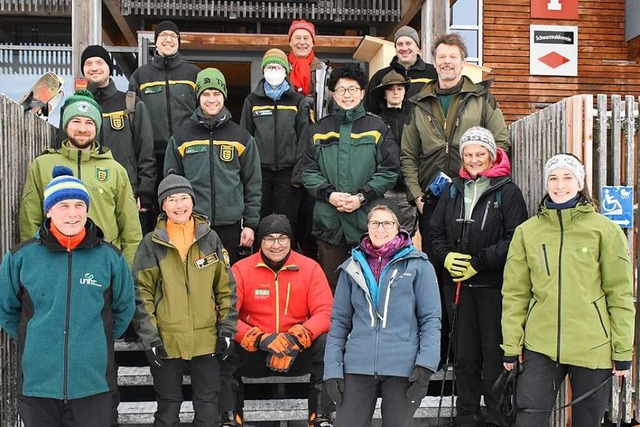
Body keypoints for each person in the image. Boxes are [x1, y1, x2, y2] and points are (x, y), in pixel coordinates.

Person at [502, 153, 635, 427]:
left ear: (579, 183)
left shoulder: (605, 230)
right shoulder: (527, 232)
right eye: (553, 178)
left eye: (567, 177)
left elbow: (619, 293)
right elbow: (515, 293)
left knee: (588, 420)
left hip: (593, 345)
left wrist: (622, 350)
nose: (559, 185)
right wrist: (511, 345)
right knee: (527, 418)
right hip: (540, 345)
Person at [0, 166, 135, 427]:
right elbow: (6, 310)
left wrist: (97, 337)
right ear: (48, 210)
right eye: (63, 205)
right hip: (38, 385)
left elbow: (124, 308)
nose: (73, 213)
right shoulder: (20, 258)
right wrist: (36, 337)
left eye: (79, 205)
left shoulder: (110, 257)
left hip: (93, 384)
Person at [430, 127, 528, 427]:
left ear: (491, 155)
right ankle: (467, 413)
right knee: (464, 352)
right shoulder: (452, 189)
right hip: (457, 284)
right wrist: (446, 256)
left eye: (479, 154)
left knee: (493, 351)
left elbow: (515, 236)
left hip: (492, 284)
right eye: (468, 154)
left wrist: (480, 262)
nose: (474, 159)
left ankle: (497, 414)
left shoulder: (508, 190)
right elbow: (434, 232)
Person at [132, 173, 238, 427]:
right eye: (171, 199)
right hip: (167, 340)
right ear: (162, 206)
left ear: (193, 201)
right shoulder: (151, 243)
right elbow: (141, 293)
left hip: (205, 341)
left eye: (184, 198)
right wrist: (149, 337)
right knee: (168, 408)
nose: (179, 205)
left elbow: (226, 288)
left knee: (209, 408)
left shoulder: (209, 238)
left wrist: (226, 328)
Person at [323, 202, 441, 427]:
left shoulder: (418, 265)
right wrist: (332, 370)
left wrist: (425, 366)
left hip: (402, 367)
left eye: (387, 223)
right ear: (367, 227)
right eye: (375, 223)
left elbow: (430, 320)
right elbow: (339, 323)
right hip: (358, 365)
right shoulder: (352, 267)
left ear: (398, 228)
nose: (380, 228)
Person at [219, 214, 334, 427]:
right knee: (224, 344)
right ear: (260, 241)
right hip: (255, 352)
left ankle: (320, 416)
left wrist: (296, 339)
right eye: (269, 239)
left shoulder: (310, 268)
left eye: (282, 238)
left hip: (297, 352)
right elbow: (226, 314)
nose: (276, 245)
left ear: (290, 240)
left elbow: (326, 312)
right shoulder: (241, 270)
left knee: (328, 343)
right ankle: (230, 417)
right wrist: (258, 338)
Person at [401, 32, 510, 255]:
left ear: (463, 62)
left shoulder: (482, 98)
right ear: (435, 62)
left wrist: (483, 179)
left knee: (471, 258)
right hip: (432, 197)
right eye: (441, 57)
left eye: (453, 57)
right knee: (435, 261)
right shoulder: (418, 104)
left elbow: (500, 142)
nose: (446, 62)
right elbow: (408, 155)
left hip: (474, 195)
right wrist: (417, 196)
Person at [301, 63, 399, 290]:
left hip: (366, 222)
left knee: (369, 286)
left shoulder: (377, 127)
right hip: (330, 220)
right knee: (331, 288)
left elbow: (389, 169)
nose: (347, 95)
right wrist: (329, 194)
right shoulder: (318, 130)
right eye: (341, 90)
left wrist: (362, 197)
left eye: (352, 89)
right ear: (333, 95)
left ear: (362, 93)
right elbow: (307, 170)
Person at [19, 90, 142, 267]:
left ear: (97, 127)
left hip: (102, 267)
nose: (82, 129)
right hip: (54, 264)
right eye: (76, 121)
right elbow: (29, 222)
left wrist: (125, 274)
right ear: (66, 125)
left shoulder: (115, 170)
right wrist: (36, 265)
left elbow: (131, 232)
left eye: (89, 122)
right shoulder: (42, 165)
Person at [164, 67, 262, 265]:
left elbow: (253, 184)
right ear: (198, 97)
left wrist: (250, 225)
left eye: (216, 93)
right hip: (193, 225)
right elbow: (171, 183)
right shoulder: (181, 138)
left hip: (232, 228)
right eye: (206, 94)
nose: (211, 99)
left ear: (224, 96)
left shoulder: (241, 138)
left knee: (231, 284)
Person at [55, 45, 157, 234]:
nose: (94, 67)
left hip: (125, 193)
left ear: (109, 67)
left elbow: (145, 152)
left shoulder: (130, 104)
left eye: (99, 62)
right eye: (88, 63)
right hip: (81, 194)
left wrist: (145, 192)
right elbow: (62, 152)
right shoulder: (72, 107)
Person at [239, 49, 310, 230]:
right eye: (269, 67)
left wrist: (298, 173)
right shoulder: (252, 101)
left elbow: (304, 139)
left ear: (285, 71)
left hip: (288, 174)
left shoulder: (297, 101)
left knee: (286, 223)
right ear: (263, 70)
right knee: (259, 222)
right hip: (260, 173)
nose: (273, 71)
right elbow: (244, 138)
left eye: (277, 67)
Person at [129, 20, 200, 189]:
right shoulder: (141, 75)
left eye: (173, 36)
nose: (168, 39)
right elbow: (131, 117)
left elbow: (203, 111)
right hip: (151, 155)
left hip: (186, 152)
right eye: (163, 35)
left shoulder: (193, 74)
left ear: (179, 41)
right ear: (156, 40)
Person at [368, 69, 416, 234]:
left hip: (408, 189)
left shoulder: (414, 119)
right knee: (382, 233)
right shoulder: (375, 121)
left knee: (407, 235)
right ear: (384, 93)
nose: (395, 92)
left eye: (400, 88)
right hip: (383, 189)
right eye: (391, 88)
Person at [364, 25, 437, 115]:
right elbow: (369, 108)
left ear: (417, 46)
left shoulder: (433, 74)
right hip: (389, 128)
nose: (404, 48)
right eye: (400, 44)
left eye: (408, 43)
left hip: (422, 128)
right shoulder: (381, 76)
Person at [287, 19, 330, 121]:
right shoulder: (281, 69)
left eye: (306, 38)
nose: (302, 42)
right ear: (290, 42)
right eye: (297, 38)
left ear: (312, 43)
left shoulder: (325, 72)